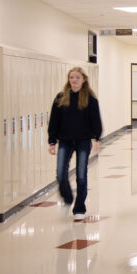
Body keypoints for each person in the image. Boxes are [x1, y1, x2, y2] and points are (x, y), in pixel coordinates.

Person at [48, 66, 102, 221]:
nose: (74, 80)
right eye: (72, 77)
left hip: (83, 140)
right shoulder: (61, 98)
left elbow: (95, 121)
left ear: (83, 79)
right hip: (65, 140)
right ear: (69, 79)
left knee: (81, 175)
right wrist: (52, 141)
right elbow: (54, 121)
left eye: (77, 77)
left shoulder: (90, 99)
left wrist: (97, 139)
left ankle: (79, 208)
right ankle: (68, 199)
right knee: (60, 174)